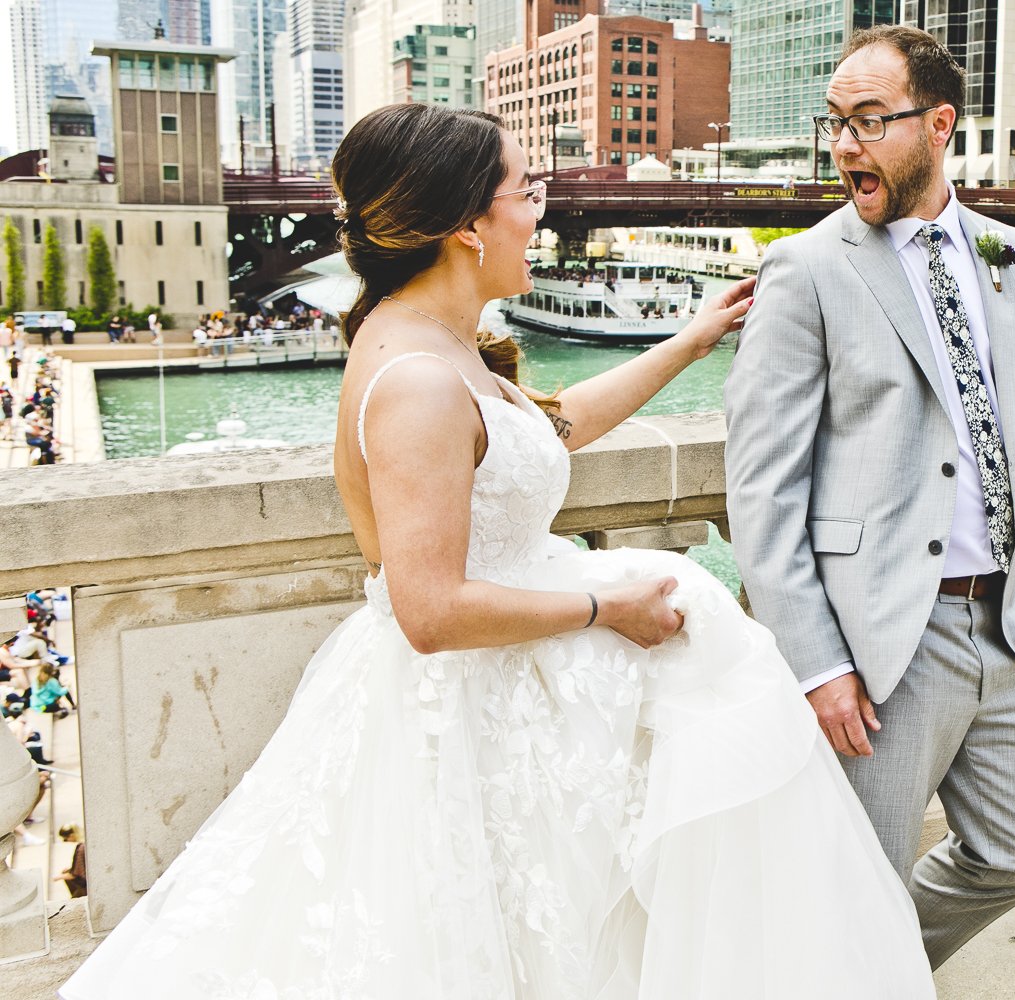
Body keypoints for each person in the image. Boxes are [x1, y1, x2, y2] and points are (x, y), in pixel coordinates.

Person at [62, 103, 935, 1000]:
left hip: (504, 693)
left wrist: (690, 339)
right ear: (468, 226)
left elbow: (549, 429)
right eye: (528, 190)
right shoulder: (418, 383)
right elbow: (430, 609)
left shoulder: (433, 344)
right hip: (464, 711)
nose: (543, 210)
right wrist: (610, 609)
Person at [724, 25, 1015, 971]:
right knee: (855, 873)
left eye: (869, 122)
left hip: (1011, 625)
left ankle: (869, 969)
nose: (845, 145)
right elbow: (762, 487)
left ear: (939, 124)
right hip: (881, 649)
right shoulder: (808, 269)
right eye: (834, 123)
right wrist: (818, 661)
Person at [56, 824, 86, 899]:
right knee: (66, 873)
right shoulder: (84, 843)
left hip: (86, 885)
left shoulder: (81, 848)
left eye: (65, 839)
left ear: (72, 836)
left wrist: (57, 877)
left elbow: (74, 875)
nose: (65, 841)